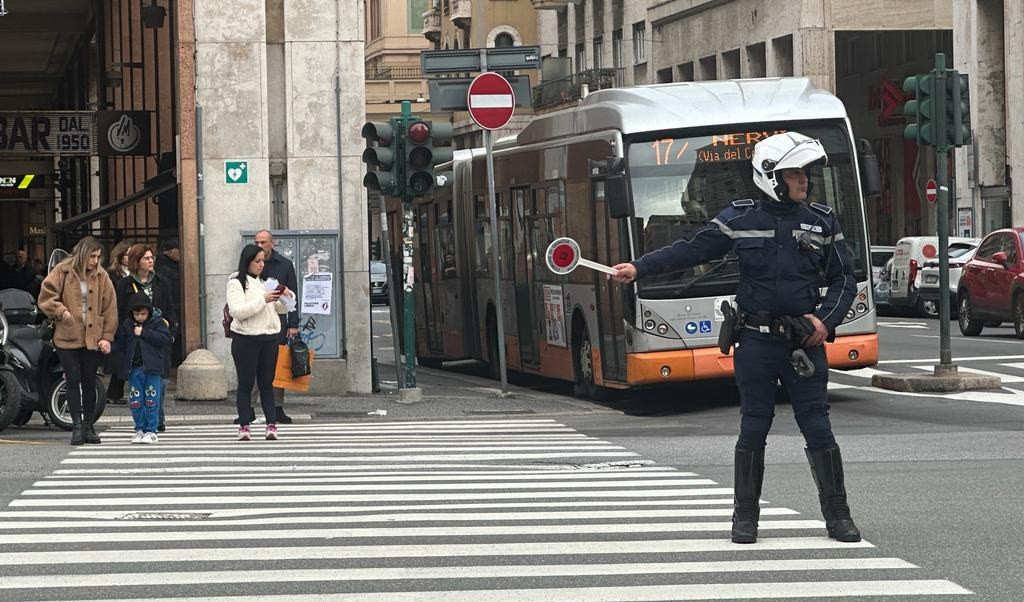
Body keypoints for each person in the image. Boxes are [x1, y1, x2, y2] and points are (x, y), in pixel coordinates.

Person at [610, 132, 861, 545]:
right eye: (796, 173)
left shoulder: (821, 219)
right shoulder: (740, 218)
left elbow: (843, 280)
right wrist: (639, 268)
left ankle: (838, 517)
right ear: (771, 176)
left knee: (818, 428)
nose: (805, 180)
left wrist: (824, 322)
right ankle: (744, 520)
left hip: (804, 344)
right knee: (753, 428)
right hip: (756, 342)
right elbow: (690, 251)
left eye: (805, 173)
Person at [37, 236, 118, 446]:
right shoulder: (62, 270)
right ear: (82, 254)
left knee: (90, 381)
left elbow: (110, 309)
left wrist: (107, 337)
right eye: (92, 256)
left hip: (93, 335)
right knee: (72, 379)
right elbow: (46, 295)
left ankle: (89, 425)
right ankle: (76, 426)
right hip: (67, 333)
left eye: (98, 257)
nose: (95, 261)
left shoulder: (102, 276)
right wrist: (60, 311)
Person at [226, 243, 294, 441]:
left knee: (267, 383)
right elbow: (237, 311)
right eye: (257, 261)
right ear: (247, 262)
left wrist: (285, 297)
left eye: (263, 260)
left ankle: (271, 425)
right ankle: (244, 426)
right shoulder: (236, 282)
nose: (261, 265)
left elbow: (281, 310)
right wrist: (263, 299)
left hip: (269, 337)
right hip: (246, 338)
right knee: (246, 384)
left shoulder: (267, 282)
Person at [115, 245, 177, 432]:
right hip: (135, 337)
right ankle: (145, 422)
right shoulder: (125, 284)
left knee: (160, 380)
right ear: (136, 262)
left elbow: (169, 307)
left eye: (152, 258)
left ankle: (157, 418)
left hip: (157, 334)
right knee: (138, 383)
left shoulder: (161, 281)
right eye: (146, 258)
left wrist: (171, 330)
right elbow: (120, 311)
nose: (151, 261)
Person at [250, 229, 298, 424]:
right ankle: (249, 408)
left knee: (277, 366)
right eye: (257, 242)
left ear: (272, 243)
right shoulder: (249, 266)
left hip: (278, 321)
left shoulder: (284, 265)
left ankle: (277, 408)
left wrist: (293, 323)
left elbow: (292, 294)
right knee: (252, 367)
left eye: (263, 242)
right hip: (255, 321)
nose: (260, 246)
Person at [112, 293, 171, 444]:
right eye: (136, 314)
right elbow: (121, 343)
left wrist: (143, 332)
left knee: (152, 400)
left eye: (143, 314)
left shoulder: (157, 322)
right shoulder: (127, 325)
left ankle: (152, 430)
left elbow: (165, 339)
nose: (140, 317)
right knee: (136, 400)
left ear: (149, 312)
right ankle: (140, 428)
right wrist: (108, 347)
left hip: (152, 368)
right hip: (134, 369)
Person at [103, 241, 133, 405]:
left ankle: (116, 392)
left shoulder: (133, 273)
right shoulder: (112, 275)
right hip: (118, 317)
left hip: (131, 318)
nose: (130, 258)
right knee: (120, 357)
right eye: (127, 254)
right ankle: (114, 392)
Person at [154, 239, 183, 366]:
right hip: (170, 308)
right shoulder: (164, 269)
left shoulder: (171, 266)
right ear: (170, 251)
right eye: (179, 250)